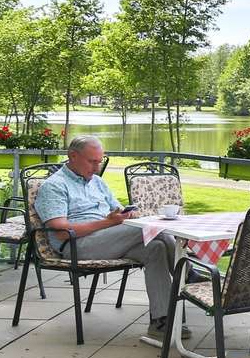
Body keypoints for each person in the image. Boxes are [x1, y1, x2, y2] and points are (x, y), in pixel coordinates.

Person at [33, 135, 181, 337]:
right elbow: (60, 231)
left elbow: (117, 210)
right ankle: (188, 274)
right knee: (151, 227)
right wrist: (108, 222)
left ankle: (161, 321)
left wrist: (124, 214)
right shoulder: (55, 185)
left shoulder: (98, 183)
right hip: (77, 246)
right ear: (72, 156)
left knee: (157, 247)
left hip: (109, 238)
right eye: (91, 161)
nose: (96, 167)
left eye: (99, 161)